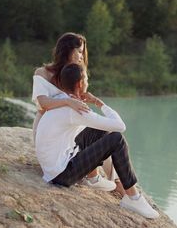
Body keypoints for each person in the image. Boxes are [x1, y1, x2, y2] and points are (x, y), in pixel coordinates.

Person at [35, 63, 159, 219]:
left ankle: (93, 178)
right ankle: (133, 198)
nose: (88, 82)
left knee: (98, 129)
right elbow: (120, 126)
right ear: (81, 84)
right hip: (60, 175)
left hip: (52, 167)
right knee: (116, 139)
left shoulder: (62, 99)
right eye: (87, 79)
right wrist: (100, 103)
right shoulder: (76, 109)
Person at [32, 32, 123, 193]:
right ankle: (113, 183)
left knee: (104, 134)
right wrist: (67, 101)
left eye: (83, 52)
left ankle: (116, 181)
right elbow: (43, 103)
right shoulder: (43, 73)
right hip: (48, 127)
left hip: (71, 124)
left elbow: (79, 102)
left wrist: (85, 91)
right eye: (79, 51)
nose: (82, 56)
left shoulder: (76, 75)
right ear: (67, 50)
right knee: (105, 134)